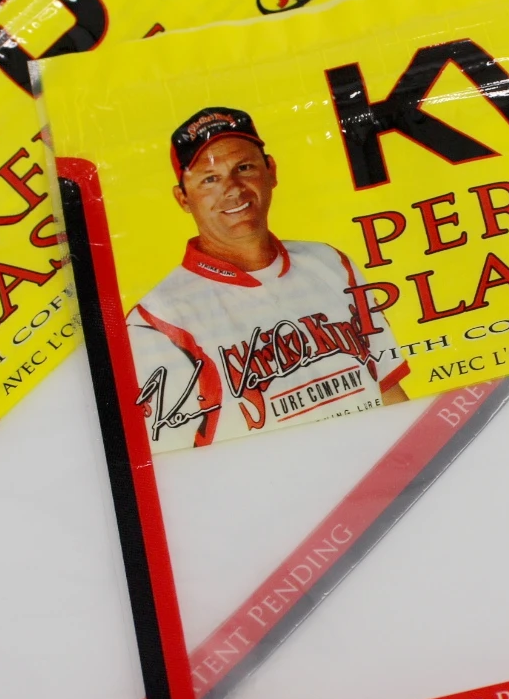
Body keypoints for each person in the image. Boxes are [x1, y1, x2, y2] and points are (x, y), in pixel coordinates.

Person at [126, 106, 408, 452]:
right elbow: (166, 466)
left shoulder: (330, 263)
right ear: (183, 197)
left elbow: (388, 391)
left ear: (270, 171)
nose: (233, 189)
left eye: (244, 167)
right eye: (210, 179)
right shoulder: (157, 322)